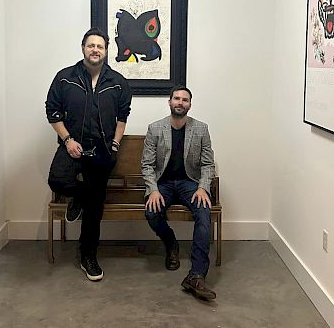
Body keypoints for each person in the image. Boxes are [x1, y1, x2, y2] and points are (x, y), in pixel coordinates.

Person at [45, 28, 132, 281]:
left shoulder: (117, 82)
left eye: (100, 46)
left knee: (95, 209)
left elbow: (122, 116)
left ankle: (88, 256)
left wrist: (115, 144)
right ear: (83, 48)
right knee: (57, 181)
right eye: (91, 45)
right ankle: (80, 197)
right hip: (73, 146)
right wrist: (68, 139)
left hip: (103, 151)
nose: (95, 50)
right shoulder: (65, 78)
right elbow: (52, 111)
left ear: (106, 51)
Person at [141, 86, 216, 300]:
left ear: (190, 105)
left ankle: (197, 275)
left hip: (189, 182)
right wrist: (153, 189)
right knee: (151, 212)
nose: (180, 102)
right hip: (163, 183)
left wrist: (203, 187)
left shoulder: (201, 129)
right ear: (170, 102)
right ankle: (170, 242)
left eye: (184, 99)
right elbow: (146, 165)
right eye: (176, 98)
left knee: (204, 212)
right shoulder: (155, 128)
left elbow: (208, 164)